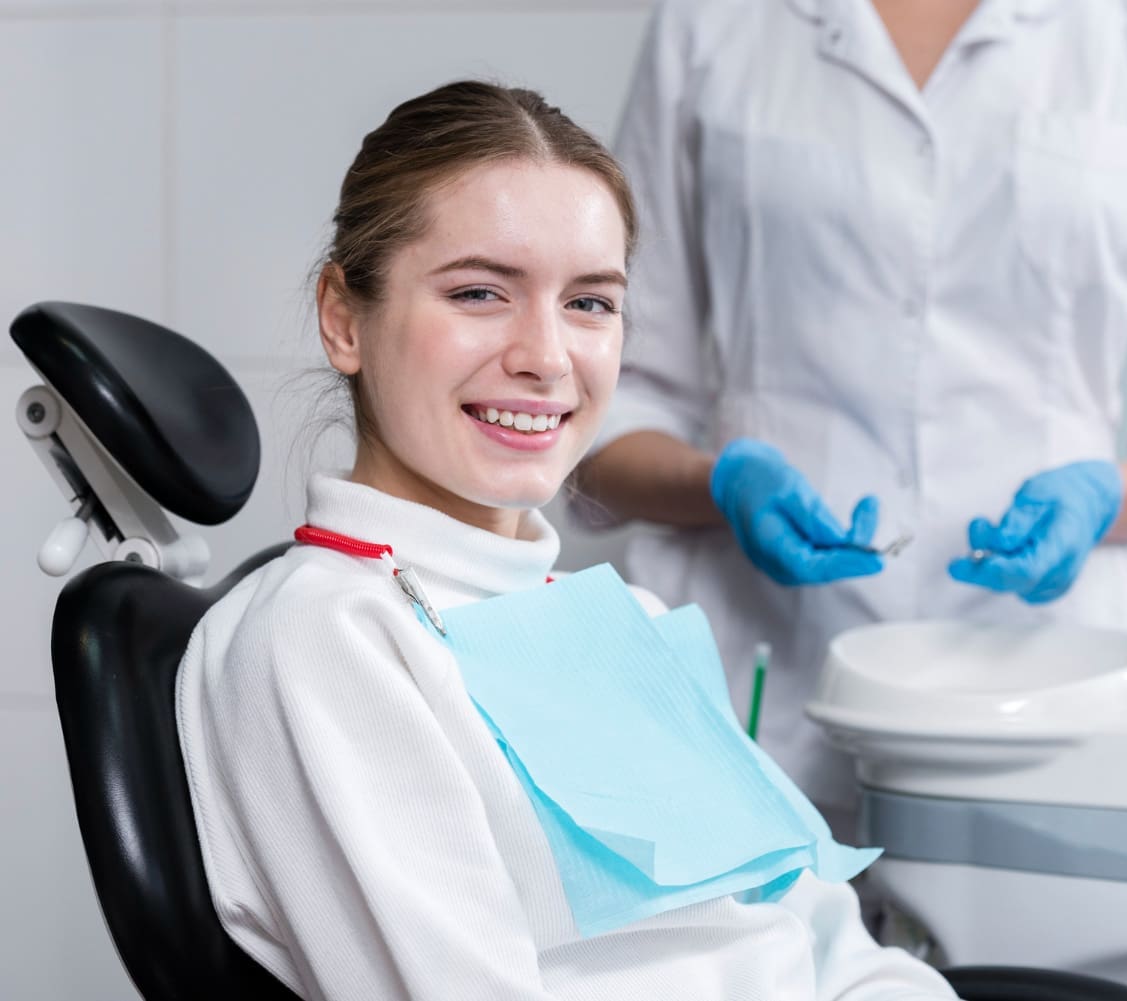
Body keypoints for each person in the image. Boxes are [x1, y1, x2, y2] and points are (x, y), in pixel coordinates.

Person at [175, 81, 957, 1000]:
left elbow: (827, 939)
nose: (546, 357)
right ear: (345, 318)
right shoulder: (324, 639)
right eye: (479, 292)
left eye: (590, 303)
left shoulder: (622, 621)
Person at [575, 0, 1127, 820]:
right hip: (760, 683)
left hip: (1060, 694)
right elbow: (604, 410)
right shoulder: (712, 23)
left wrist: (1101, 501)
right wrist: (721, 483)